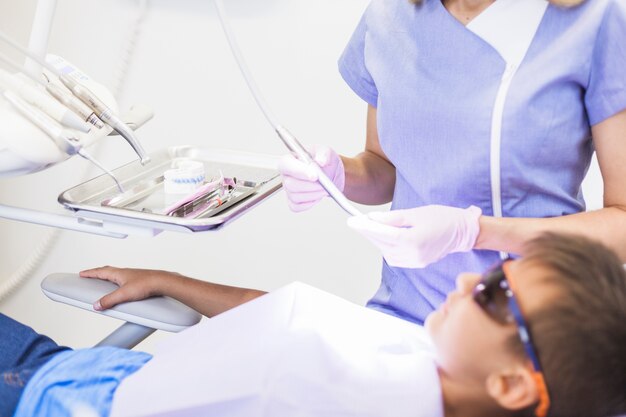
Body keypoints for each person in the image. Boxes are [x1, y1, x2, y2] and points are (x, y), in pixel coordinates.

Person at [2, 232, 625, 417]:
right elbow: (291, 311)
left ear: (514, 385)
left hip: (52, 398)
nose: (468, 280)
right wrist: (173, 282)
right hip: (102, 372)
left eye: (494, 293)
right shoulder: (429, 359)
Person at [278, 0, 626, 324]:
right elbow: (382, 166)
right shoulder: (390, 16)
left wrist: (475, 232)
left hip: (532, 327)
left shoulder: (593, 20)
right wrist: (336, 174)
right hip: (406, 314)